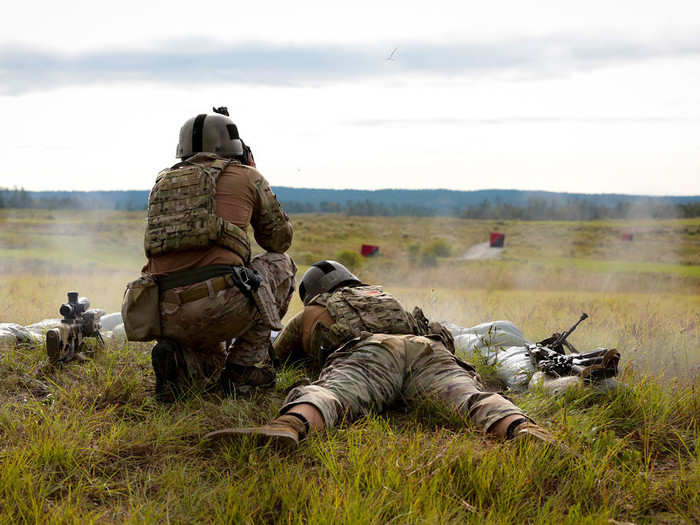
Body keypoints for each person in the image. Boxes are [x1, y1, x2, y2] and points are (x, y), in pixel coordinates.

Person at [136, 107, 296, 400]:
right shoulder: (247, 176)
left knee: (206, 372)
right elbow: (279, 241)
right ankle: (241, 371)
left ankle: (182, 362)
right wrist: (255, 175)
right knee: (281, 265)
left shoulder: (162, 183)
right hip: (218, 307)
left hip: (161, 312)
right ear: (231, 144)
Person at [204, 332, 555, 447]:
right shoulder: (390, 302)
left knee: (334, 393)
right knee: (468, 397)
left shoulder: (315, 309)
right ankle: (522, 428)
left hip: (370, 350)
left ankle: (287, 426)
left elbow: (278, 355)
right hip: (427, 348)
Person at [272, 260, 449, 372]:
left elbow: (274, 358)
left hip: (357, 372)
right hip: (416, 362)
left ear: (312, 293)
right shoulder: (382, 296)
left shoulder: (311, 312)